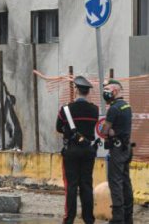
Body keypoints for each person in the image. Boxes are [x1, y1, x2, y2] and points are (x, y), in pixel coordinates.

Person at [55, 75, 98, 224]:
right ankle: (88, 219)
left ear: (76, 90)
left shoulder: (66, 109)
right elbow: (95, 128)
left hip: (71, 151)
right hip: (88, 151)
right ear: (88, 92)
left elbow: (58, 127)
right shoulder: (94, 110)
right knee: (86, 184)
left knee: (71, 186)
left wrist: (69, 131)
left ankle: (69, 219)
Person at [100, 79, 133, 224]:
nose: (105, 92)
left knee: (116, 183)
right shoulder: (126, 105)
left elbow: (104, 130)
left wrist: (108, 130)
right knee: (126, 182)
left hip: (118, 150)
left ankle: (118, 219)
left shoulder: (113, 109)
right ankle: (128, 217)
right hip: (127, 148)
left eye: (107, 89)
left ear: (115, 91)